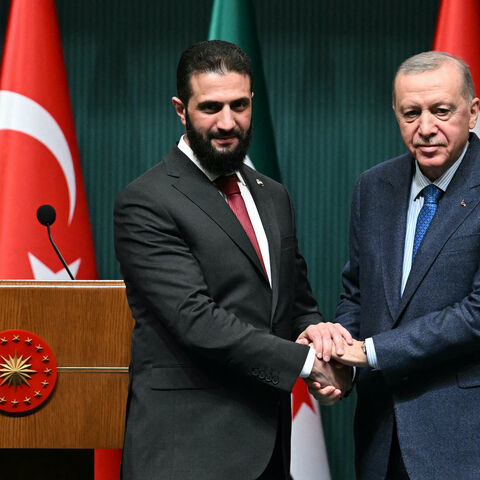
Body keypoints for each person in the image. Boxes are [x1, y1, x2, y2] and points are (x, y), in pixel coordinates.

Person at [114, 40, 350, 480]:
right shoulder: (146, 200)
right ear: (181, 110)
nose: (228, 123)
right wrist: (304, 364)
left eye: (239, 105)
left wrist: (320, 337)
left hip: (270, 449)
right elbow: (195, 319)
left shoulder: (271, 194)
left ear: (252, 102)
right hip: (185, 453)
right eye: (211, 107)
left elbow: (294, 302)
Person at [299, 51, 480, 480]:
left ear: (473, 112)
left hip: (463, 441)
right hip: (381, 437)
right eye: (410, 113)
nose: (426, 128)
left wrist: (370, 352)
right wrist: (338, 363)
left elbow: (476, 313)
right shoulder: (373, 186)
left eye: (441, 111)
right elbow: (358, 295)